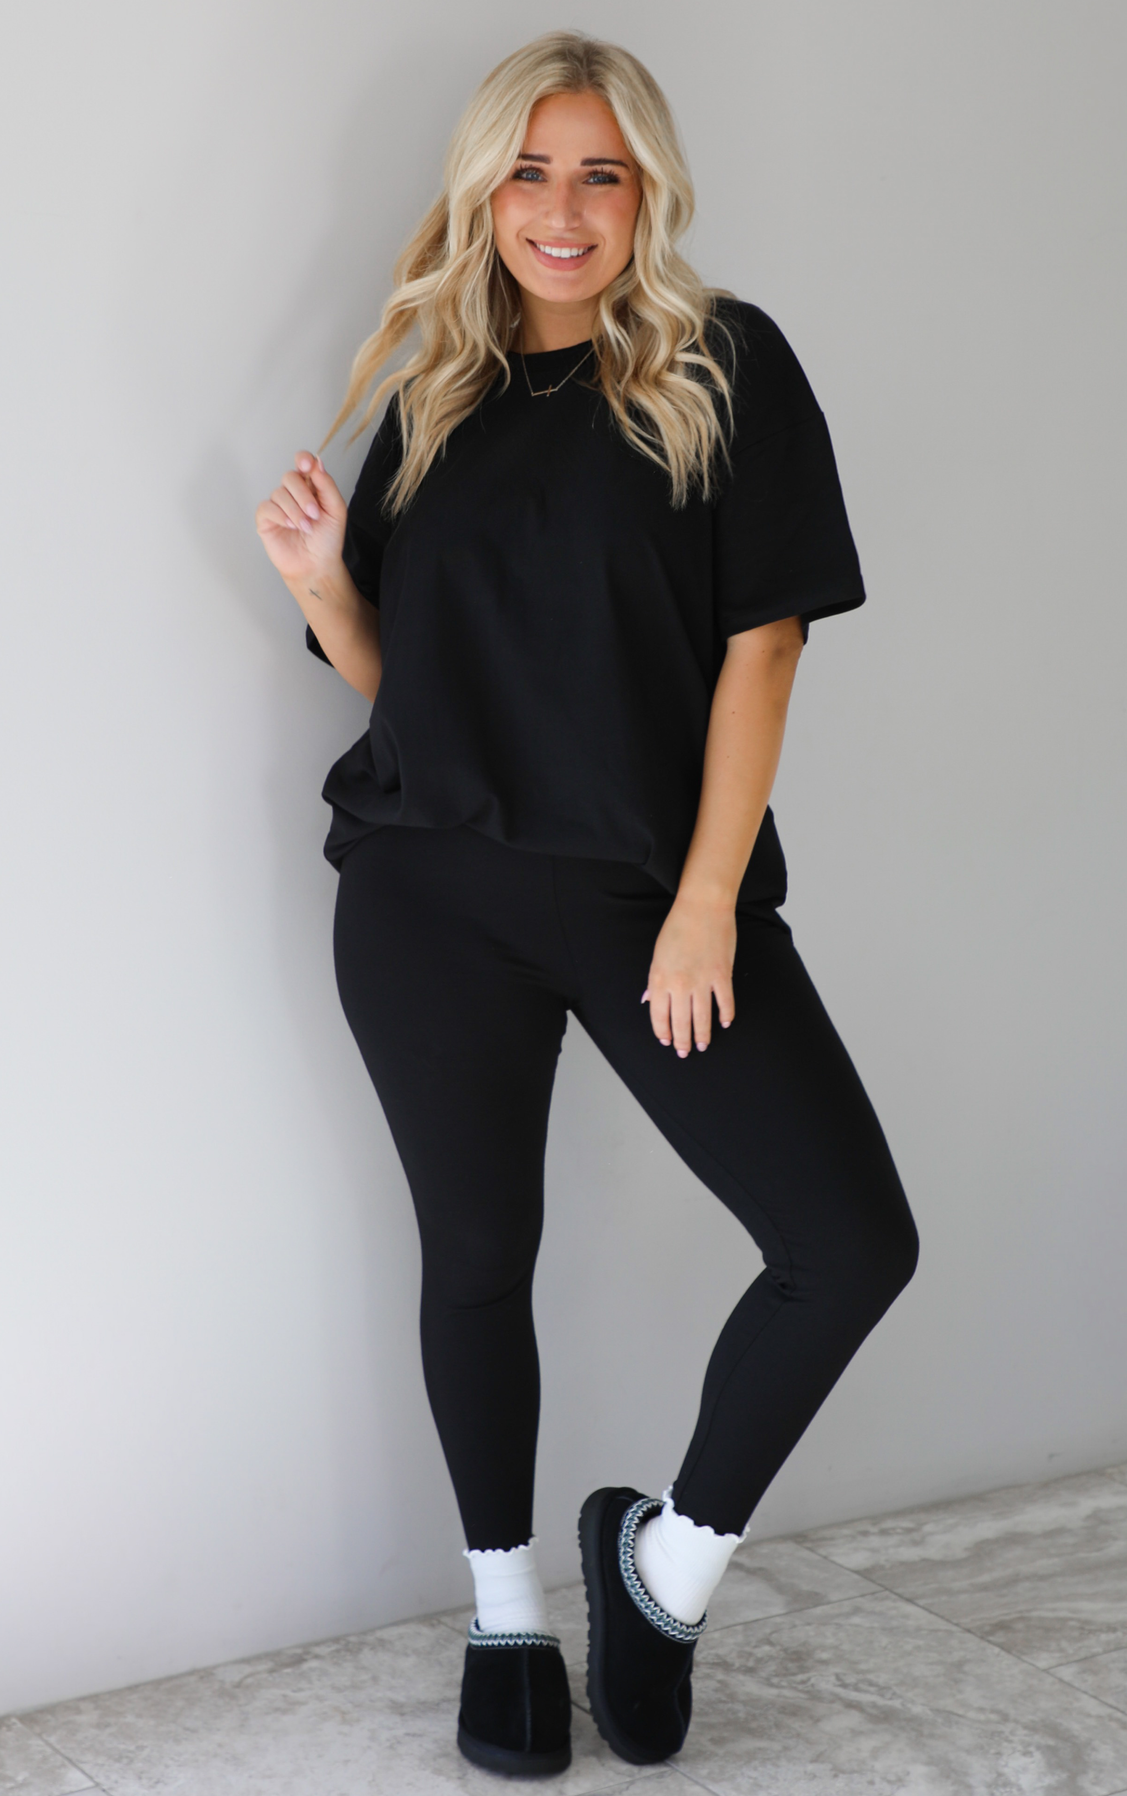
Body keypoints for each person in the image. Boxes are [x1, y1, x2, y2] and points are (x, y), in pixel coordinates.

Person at [255, 29, 918, 1779]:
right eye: (531, 173)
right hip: (429, 893)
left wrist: (705, 908)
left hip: (648, 902)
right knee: (479, 1258)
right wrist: (331, 586)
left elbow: (765, 647)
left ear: (648, 192)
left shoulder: (723, 365)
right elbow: (401, 690)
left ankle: (666, 1566)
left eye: (598, 173)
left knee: (850, 1246)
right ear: (486, 190)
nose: (562, 211)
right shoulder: (436, 398)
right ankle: (504, 1617)